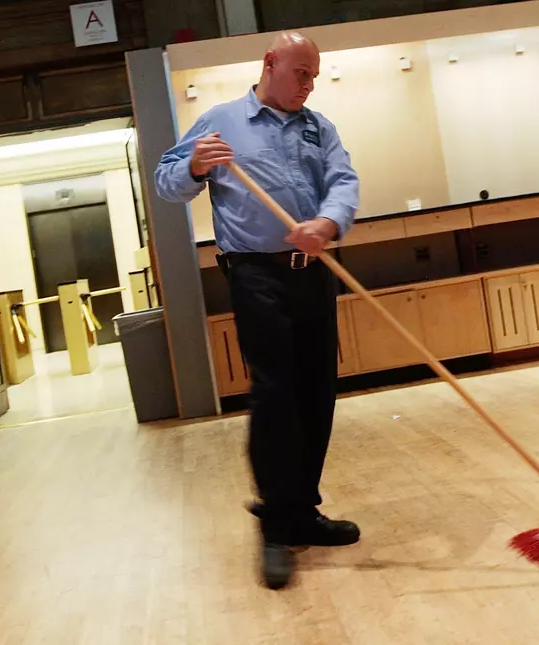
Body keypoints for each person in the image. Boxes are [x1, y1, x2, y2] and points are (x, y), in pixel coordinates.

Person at [155, 31, 361, 590]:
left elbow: (343, 181)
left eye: (313, 76)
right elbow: (166, 184)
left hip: (312, 273)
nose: (308, 84)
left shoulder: (319, 128)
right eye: (301, 73)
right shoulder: (222, 121)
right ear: (271, 63)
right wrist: (195, 165)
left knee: (317, 390)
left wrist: (328, 222)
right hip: (254, 275)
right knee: (275, 393)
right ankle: (274, 524)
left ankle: (302, 512)